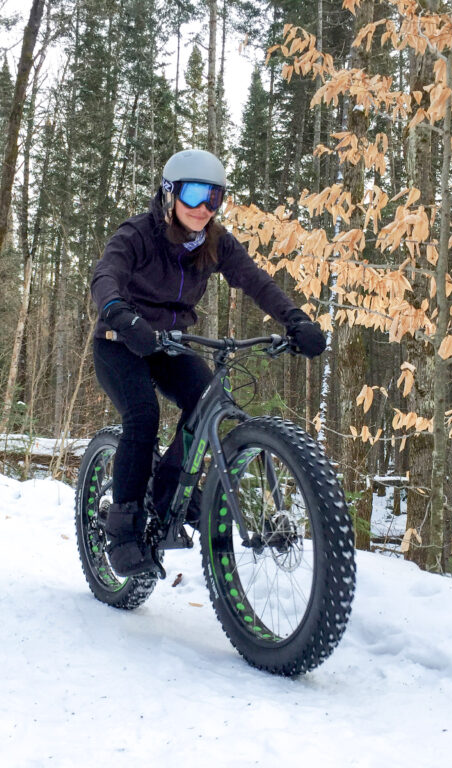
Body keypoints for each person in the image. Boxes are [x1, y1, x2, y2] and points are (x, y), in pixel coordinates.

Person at [91, 149, 326, 577]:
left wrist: (295, 320)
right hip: (120, 340)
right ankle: (122, 530)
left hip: (170, 345)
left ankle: (167, 491)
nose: (204, 208)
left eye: (214, 198)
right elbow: (106, 274)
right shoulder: (138, 234)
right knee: (143, 416)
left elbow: (257, 281)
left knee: (206, 405)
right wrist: (119, 313)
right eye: (194, 194)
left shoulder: (216, 243)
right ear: (168, 194)